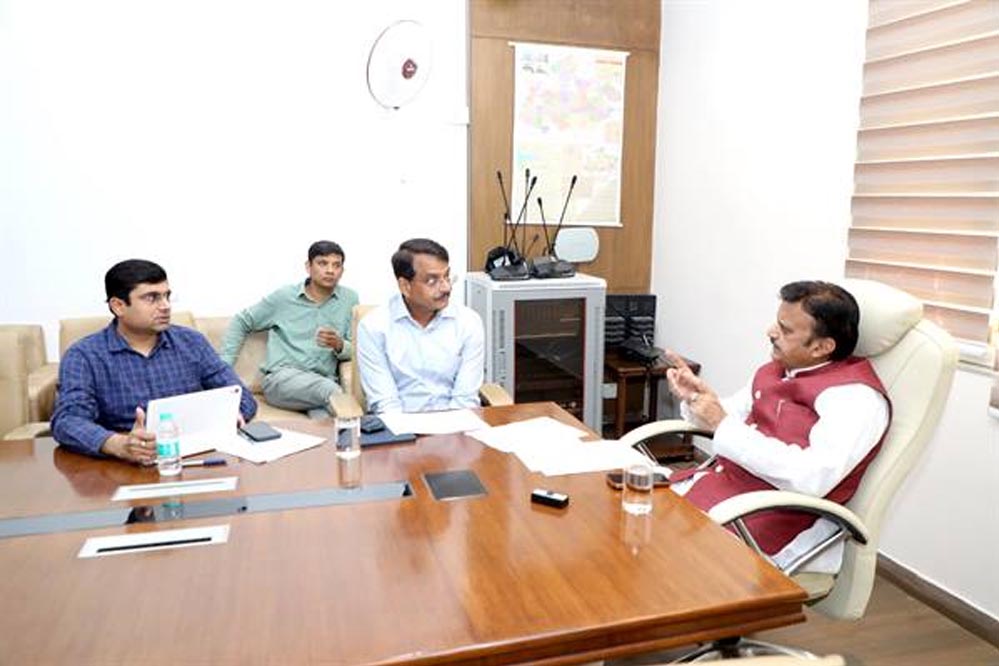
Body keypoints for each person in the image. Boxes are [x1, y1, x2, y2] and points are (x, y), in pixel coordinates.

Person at [664, 280, 890, 573]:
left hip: (772, 522)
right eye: (777, 323)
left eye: (785, 330)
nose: (771, 332)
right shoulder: (779, 370)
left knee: (658, 561)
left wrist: (721, 422)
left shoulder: (855, 399)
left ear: (822, 347)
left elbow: (811, 478)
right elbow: (729, 417)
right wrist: (696, 398)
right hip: (724, 492)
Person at [51, 259, 257, 463]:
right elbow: (68, 421)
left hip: (195, 457)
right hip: (124, 463)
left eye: (167, 296)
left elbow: (241, 396)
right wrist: (118, 445)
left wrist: (232, 415)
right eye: (152, 298)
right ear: (118, 306)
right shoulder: (84, 355)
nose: (165, 306)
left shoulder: (192, 342)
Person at [220, 240, 359, 418]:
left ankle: (341, 434)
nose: (330, 270)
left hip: (320, 382)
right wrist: (224, 369)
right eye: (323, 263)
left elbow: (355, 350)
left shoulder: (349, 299)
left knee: (324, 418)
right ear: (308, 267)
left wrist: (339, 345)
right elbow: (242, 321)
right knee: (331, 392)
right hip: (282, 380)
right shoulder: (284, 298)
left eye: (336, 265)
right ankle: (366, 427)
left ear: (342, 271)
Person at [356, 238, 484, 413]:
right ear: (405, 286)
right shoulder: (374, 327)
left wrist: (451, 428)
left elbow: (465, 399)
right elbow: (386, 403)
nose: (446, 288)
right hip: (399, 424)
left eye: (447, 276)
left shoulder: (468, 322)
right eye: (432, 281)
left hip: (457, 422)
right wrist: (410, 430)